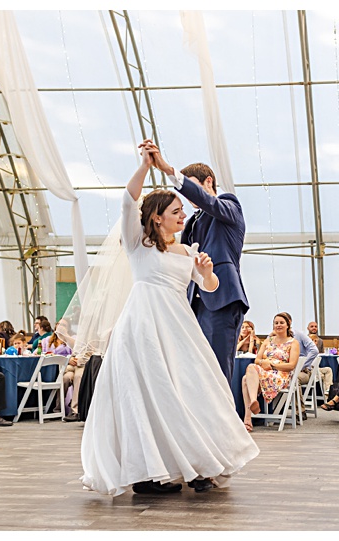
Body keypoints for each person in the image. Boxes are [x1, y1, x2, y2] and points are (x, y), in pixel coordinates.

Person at [80, 149, 257, 495]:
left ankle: (203, 462)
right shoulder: (148, 241)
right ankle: (156, 467)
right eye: (174, 210)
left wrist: (206, 272)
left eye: (185, 201)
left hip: (200, 313)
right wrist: (145, 168)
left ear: (206, 185)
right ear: (159, 218)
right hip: (149, 321)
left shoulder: (226, 208)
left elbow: (208, 280)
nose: (183, 211)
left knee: (205, 385)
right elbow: (129, 203)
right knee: (152, 392)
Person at [144, 141, 248, 377]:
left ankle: (224, 415)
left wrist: (170, 172)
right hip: (191, 304)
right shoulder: (190, 222)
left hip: (221, 300)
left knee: (218, 372)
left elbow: (208, 202)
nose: (188, 196)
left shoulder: (229, 205)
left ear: (208, 182)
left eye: (191, 187)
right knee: (194, 372)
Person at [241, 312, 299, 432]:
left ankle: (248, 417)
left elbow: (292, 365)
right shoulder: (268, 341)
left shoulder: (293, 343)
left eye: (281, 323)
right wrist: (263, 363)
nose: (278, 325)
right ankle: (252, 403)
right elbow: (257, 359)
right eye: (276, 323)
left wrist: (272, 365)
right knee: (249, 373)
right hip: (264, 371)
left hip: (280, 375)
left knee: (246, 377)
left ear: (287, 325)